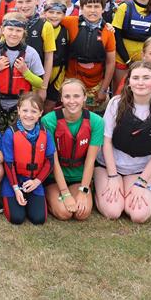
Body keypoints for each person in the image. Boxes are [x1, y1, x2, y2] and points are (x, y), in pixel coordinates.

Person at [94, 62, 151, 223]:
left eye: (146, 77)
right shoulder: (116, 103)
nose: (140, 82)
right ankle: (100, 187)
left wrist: (142, 181)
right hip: (109, 166)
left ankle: (130, 187)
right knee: (113, 212)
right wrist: (113, 175)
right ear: (129, 82)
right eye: (136, 78)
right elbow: (106, 142)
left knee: (139, 215)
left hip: (139, 170)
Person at [41, 80, 104, 221]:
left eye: (76, 96)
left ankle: (78, 191)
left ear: (84, 97)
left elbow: (90, 161)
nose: (72, 101)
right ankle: (49, 195)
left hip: (79, 177)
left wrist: (83, 190)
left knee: (82, 213)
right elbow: (54, 161)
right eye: (67, 96)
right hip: (54, 177)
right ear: (61, 98)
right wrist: (65, 193)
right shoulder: (48, 121)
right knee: (64, 213)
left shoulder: (96, 122)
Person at [0, 13, 45, 131]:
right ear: (3, 30)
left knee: (17, 135)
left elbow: (40, 83)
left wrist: (25, 72)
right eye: (10, 29)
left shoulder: (31, 53)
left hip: (20, 104)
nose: (14, 34)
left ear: (24, 33)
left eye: (18, 30)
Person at [0, 93, 54, 225]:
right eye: (25, 110)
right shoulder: (10, 133)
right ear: (18, 110)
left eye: (33, 111)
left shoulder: (45, 133)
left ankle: (32, 196)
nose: (29, 115)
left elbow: (50, 161)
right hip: (15, 180)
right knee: (17, 218)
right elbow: (8, 163)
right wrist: (16, 189)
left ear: (40, 113)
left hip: (35, 180)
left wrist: (37, 182)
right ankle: (14, 195)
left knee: (38, 219)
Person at [61, 0, 117, 112]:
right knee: (70, 111)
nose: (92, 10)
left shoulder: (108, 32)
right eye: (89, 6)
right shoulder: (70, 22)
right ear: (81, 7)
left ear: (103, 9)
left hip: (94, 85)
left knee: (89, 113)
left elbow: (110, 62)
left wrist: (103, 89)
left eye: (97, 6)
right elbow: (51, 19)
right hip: (71, 79)